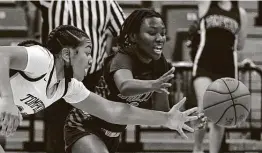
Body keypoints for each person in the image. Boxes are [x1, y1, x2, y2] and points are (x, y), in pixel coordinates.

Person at [0, 25, 199, 152]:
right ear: (68, 54)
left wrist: (166, 119)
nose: (91, 59)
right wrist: (7, 100)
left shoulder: (68, 87)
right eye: (87, 53)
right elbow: (2, 54)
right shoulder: (43, 59)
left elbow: (114, 112)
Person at [63, 9, 179, 153]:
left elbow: (161, 110)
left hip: (113, 134)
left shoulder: (160, 64)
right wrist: (153, 85)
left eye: (162, 33)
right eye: (152, 33)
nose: (160, 38)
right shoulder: (122, 58)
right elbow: (125, 86)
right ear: (133, 36)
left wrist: (181, 118)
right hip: (84, 124)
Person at [30, 1, 125, 152]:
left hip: (93, 79)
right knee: (57, 136)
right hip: (57, 77)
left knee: (95, 135)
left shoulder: (106, 3)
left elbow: (126, 33)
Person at [192, 1, 248, 153]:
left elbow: (240, 44)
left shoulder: (240, 13)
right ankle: (197, 148)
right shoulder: (206, 4)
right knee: (204, 106)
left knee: (221, 114)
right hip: (205, 63)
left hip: (227, 67)